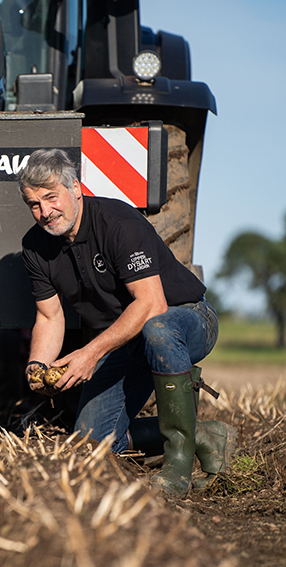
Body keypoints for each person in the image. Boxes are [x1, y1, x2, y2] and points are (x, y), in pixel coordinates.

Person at [18, 149, 236, 496]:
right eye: (34, 204)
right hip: (126, 340)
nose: (45, 212)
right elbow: (50, 315)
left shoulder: (119, 222)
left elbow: (152, 304)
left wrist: (90, 354)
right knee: (89, 449)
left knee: (158, 329)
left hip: (187, 319)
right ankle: (204, 435)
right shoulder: (34, 246)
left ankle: (177, 463)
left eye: (50, 198)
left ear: (75, 187)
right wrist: (37, 365)